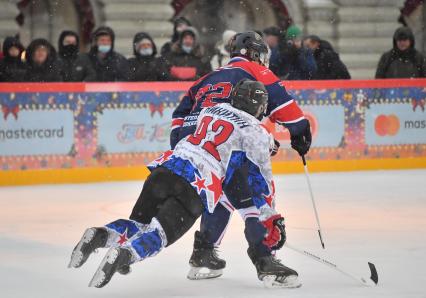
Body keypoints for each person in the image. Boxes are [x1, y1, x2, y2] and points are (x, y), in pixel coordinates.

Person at [69, 79, 300, 289]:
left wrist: (265, 143)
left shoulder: (210, 110)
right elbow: (261, 179)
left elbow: (209, 132)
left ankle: (100, 234)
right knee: (159, 235)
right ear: (259, 106)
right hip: (196, 184)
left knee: (138, 224)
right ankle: (126, 254)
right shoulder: (256, 131)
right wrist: (269, 216)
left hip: (166, 169)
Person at [169, 31, 311, 284]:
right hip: (232, 142)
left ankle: (203, 253)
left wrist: (182, 144)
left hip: (197, 143)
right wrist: (301, 131)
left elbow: (179, 115)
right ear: (255, 53)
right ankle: (264, 258)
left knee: (221, 193)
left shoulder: (207, 77)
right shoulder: (255, 70)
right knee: (254, 192)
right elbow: (285, 108)